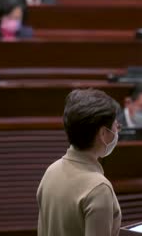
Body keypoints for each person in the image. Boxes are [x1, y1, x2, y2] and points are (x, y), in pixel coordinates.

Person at [37, 89, 121, 236]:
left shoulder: (51, 171)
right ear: (102, 133)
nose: (117, 128)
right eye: (115, 124)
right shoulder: (98, 188)